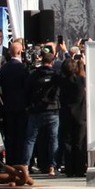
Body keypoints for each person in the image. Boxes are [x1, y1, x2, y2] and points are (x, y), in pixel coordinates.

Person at [23, 45, 60, 176]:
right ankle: (52, 167)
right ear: (52, 62)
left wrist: (28, 106)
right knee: (53, 139)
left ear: (41, 60)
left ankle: (26, 166)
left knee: (30, 139)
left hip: (36, 110)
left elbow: (26, 92)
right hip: (52, 110)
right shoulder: (56, 75)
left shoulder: (33, 75)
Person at [0, 38, 28, 169]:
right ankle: (20, 161)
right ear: (21, 52)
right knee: (21, 135)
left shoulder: (4, 68)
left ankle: (10, 161)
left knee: (9, 136)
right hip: (21, 106)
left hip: (8, 106)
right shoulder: (23, 68)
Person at [57, 54, 87, 177]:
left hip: (65, 114)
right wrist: (82, 64)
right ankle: (79, 169)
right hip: (80, 115)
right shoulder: (81, 80)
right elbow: (84, 76)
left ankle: (69, 169)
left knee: (67, 142)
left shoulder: (61, 81)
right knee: (79, 142)